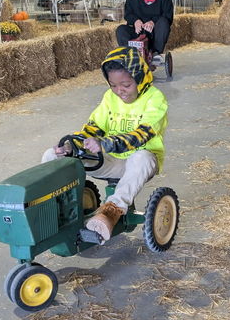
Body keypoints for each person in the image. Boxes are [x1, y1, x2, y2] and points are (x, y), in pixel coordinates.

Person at [41, 46, 168, 241]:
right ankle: (55, 206)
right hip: (109, 160)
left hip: (138, 163)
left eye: (126, 85)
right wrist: (72, 146)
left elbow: (141, 135)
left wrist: (105, 143)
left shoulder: (155, 99)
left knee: (142, 157)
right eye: (113, 85)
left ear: (140, 77)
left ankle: (112, 210)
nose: (119, 91)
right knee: (52, 155)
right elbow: (93, 128)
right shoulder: (110, 98)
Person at [116, 0, 175, 65]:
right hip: (137, 32)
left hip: (154, 34)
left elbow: (168, 16)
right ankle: (130, 55)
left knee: (164, 23)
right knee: (121, 30)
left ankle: (155, 54)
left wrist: (153, 22)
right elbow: (128, 14)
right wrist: (135, 21)